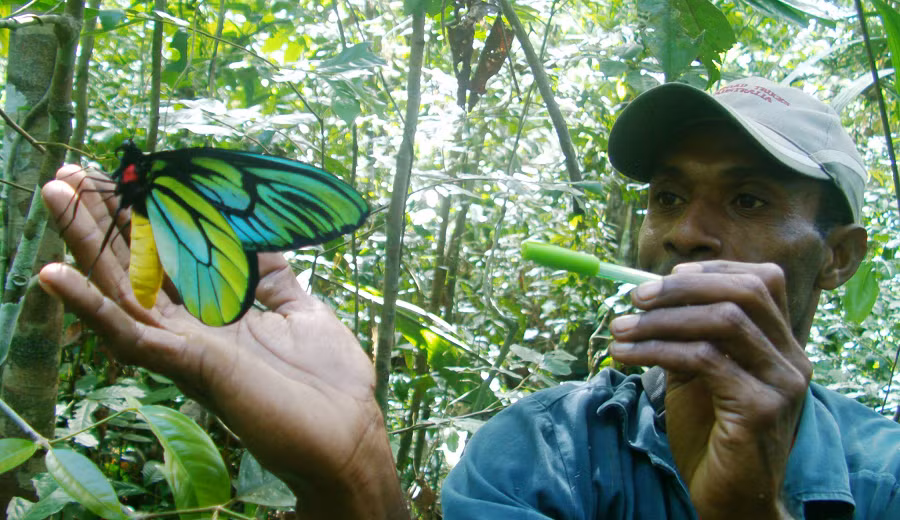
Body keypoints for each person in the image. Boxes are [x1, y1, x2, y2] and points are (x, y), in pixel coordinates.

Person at [37, 76, 899, 519]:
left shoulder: (888, 474)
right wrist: (352, 477)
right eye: (668, 198)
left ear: (838, 259)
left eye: (747, 201)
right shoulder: (537, 452)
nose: (684, 234)